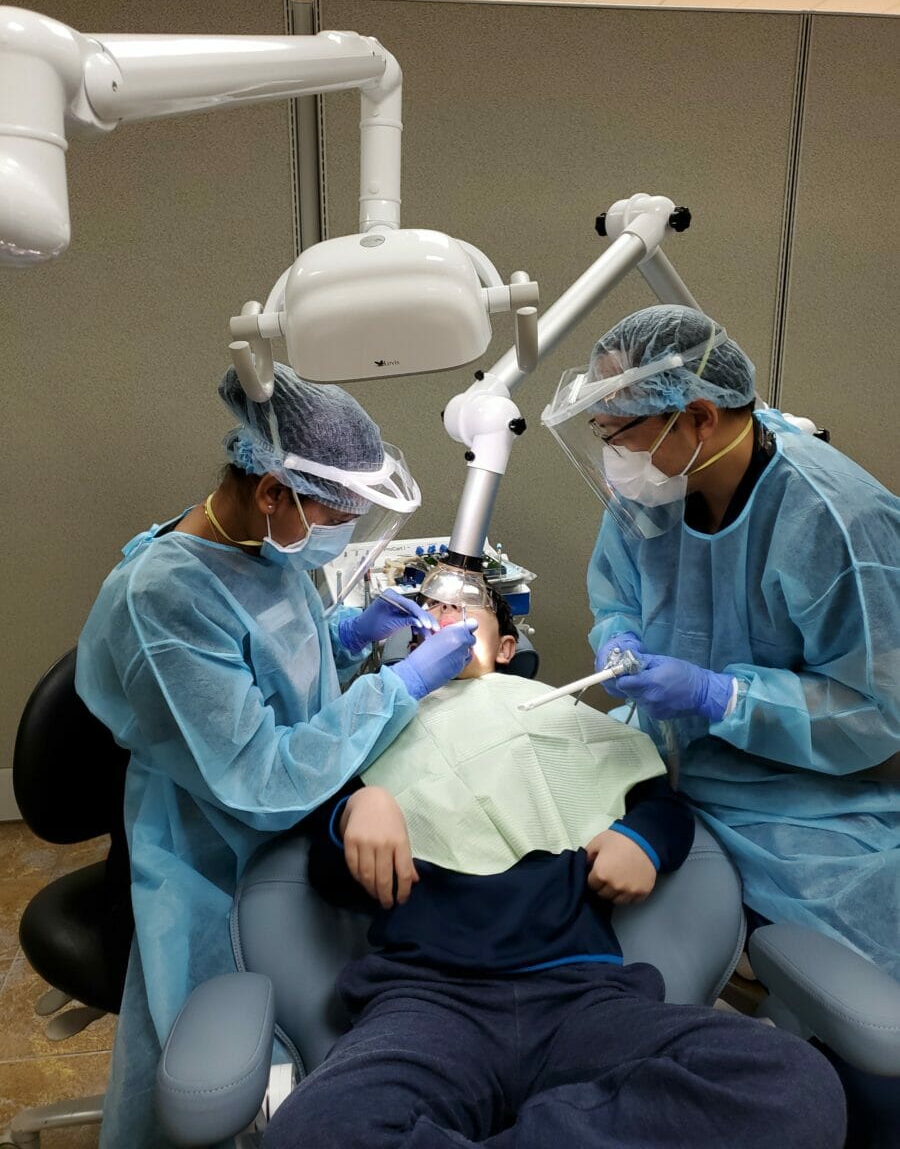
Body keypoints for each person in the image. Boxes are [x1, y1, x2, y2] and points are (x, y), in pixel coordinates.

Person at [263, 591, 846, 1149]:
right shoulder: (371, 724)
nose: (443, 612)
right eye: (429, 606)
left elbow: (662, 806)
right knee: (313, 1131)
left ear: (508, 646)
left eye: (465, 606)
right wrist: (353, 811)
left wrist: (642, 840)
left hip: (586, 999)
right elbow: (330, 875)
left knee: (797, 1088)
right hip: (426, 1001)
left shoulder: (563, 721)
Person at [75, 362, 477, 1148]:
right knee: (217, 1072)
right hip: (212, 850)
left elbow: (271, 666)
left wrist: (348, 636)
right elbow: (259, 779)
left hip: (285, 807)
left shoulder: (259, 546)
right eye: (338, 515)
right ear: (272, 492)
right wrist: (396, 689)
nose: (344, 534)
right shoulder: (165, 598)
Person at [542, 303, 900, 983]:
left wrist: (722, 695)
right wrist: (617, 633)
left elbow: (876, 713)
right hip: (668, 752)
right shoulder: (658, 487)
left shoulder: (837, 522)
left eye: (622, 433)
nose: (615, 455)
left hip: (801, 792)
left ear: (701, 417)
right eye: (603, 432)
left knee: (847, 944)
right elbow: (618, 590)